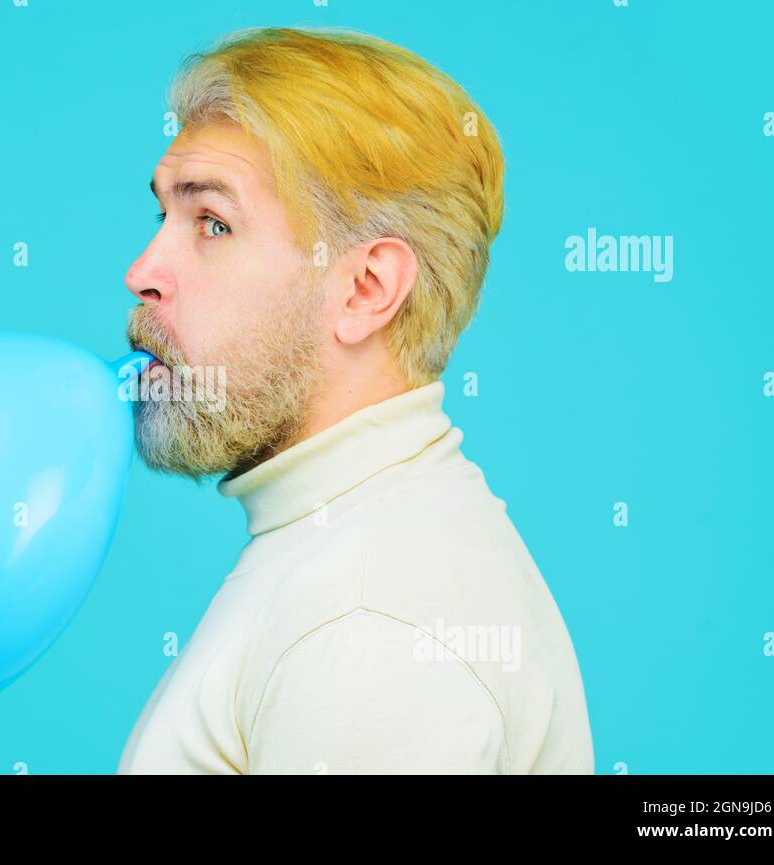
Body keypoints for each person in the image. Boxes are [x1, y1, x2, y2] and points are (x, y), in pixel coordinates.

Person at [117, 26, 593, 774]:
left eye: (213, 222)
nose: (143, 272)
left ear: (366, 290)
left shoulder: (369, 623)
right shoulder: (349, 559)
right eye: (163, 216)